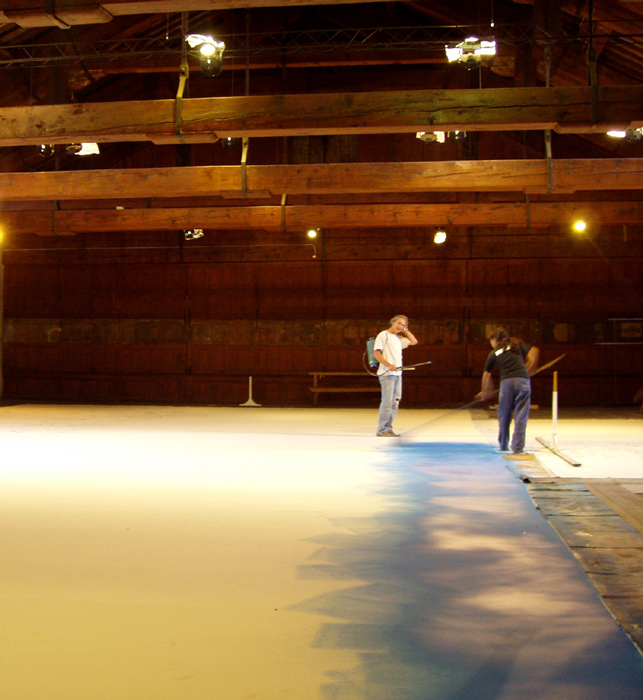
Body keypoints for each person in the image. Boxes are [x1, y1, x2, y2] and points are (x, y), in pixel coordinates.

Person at [476, 327, 539, 454]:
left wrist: (485, 392)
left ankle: (503, 445)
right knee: (521, 415)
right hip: (523, 380)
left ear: (494, 340)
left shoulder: (494, 353)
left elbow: (486, 375)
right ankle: (517, 447)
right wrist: (530, 367)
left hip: (507, 383)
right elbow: (535, 351)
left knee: (504, 414)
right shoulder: (517, 345)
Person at [373, 315, 418, 437]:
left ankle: (388, 428)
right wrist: (388, 365)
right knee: (387, 402)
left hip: (398, 374)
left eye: (403, 325)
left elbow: (414, 341)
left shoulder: (398, 338)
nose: (400, 326)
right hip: (387, 374)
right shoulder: (384, 335)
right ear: (392, 322)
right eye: (399, 323)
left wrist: (405, 330)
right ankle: (381, 429)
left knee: (395, 402)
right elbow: (376, 353)